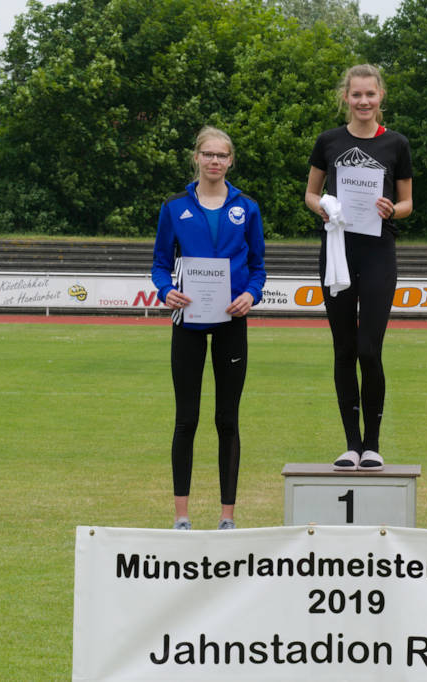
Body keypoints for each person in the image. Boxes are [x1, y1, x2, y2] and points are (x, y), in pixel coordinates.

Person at [151, 126, 266, 530]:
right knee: (187, 419)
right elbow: (160, 264)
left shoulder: (247, 207)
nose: (215, 161)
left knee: (227, 419)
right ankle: (181, 517)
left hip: (232, 321)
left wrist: (251, 294)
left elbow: (258, 267)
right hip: (189, 321)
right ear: (196, 158)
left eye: (222, 156)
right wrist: (167, 290)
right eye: (208, 154)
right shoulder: (174, 207)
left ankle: (226, 517)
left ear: (230, 161)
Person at [304, 64, 413, 472]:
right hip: (336, 252)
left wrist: (392, 209)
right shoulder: (329, 141)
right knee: (344, 349)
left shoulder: (396, 144)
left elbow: (406, 203)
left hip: (378, 252)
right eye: (356, 95)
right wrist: (326, 206)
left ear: (380, 96)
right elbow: (311, 195)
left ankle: (373, 444)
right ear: (345, 98)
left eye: (370, 94)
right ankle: (351, 445)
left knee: (369, 349)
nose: (363, 101)